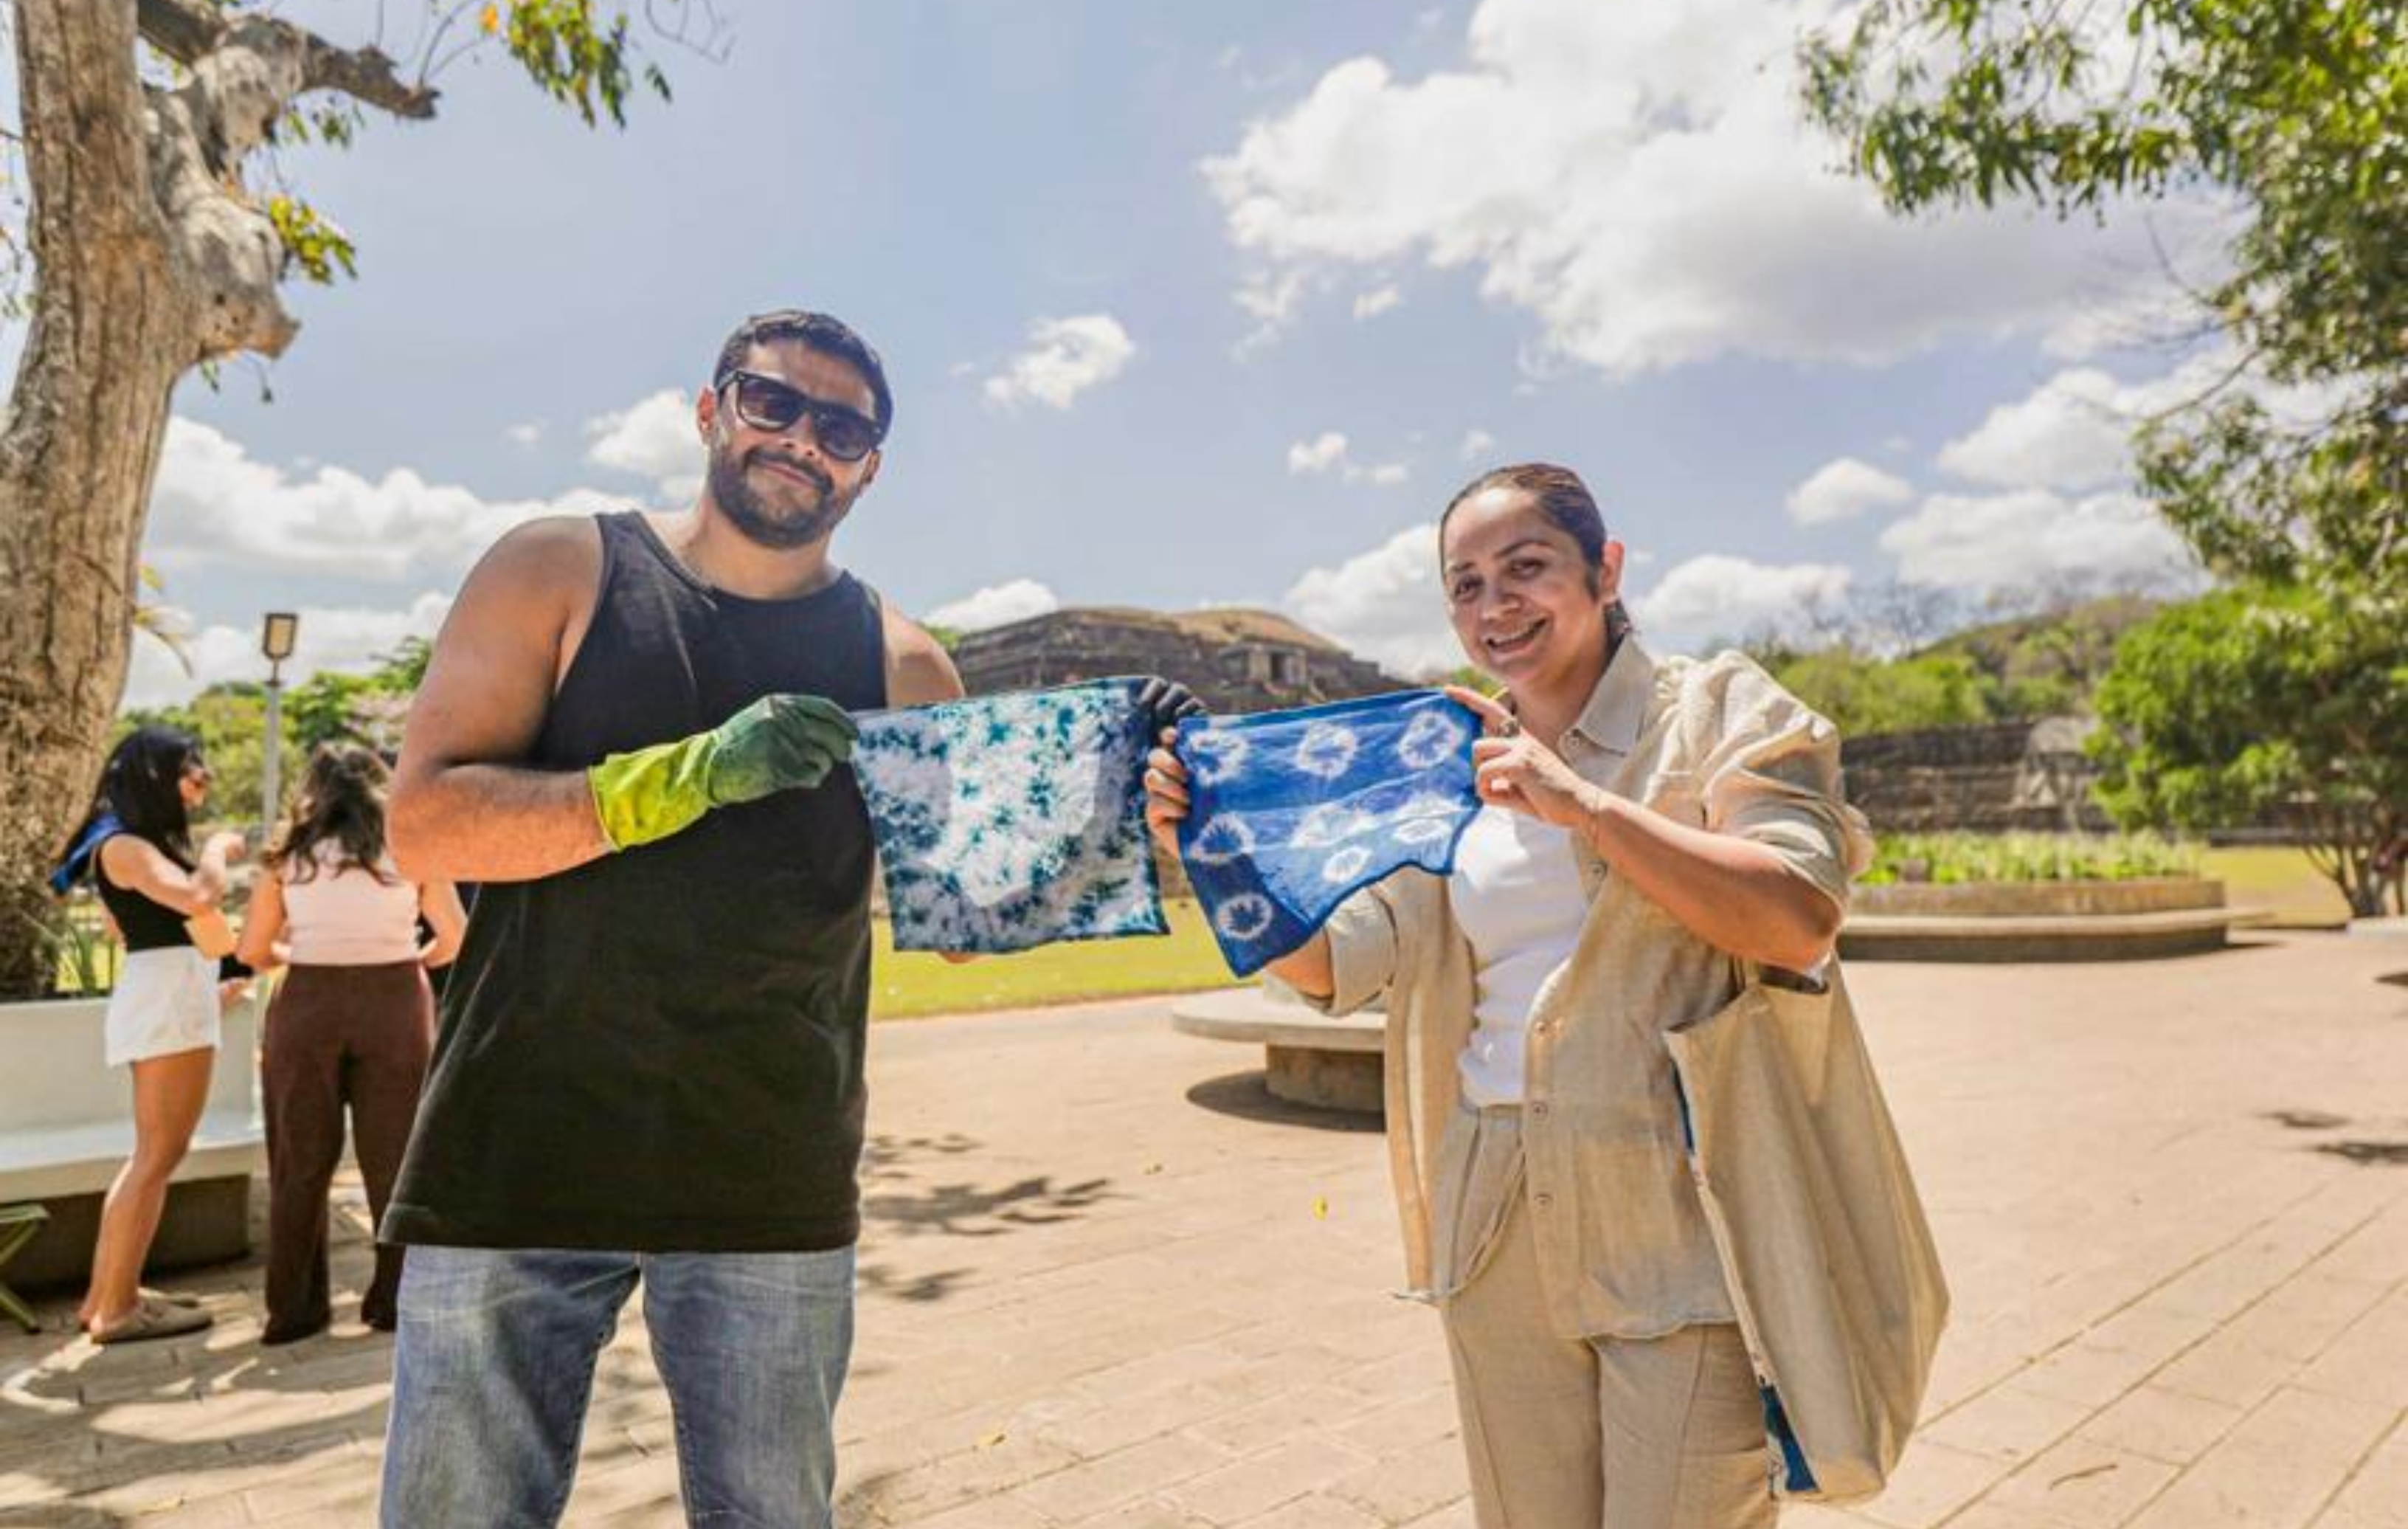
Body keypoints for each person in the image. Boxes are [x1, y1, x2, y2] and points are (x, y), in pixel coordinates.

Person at [377, 308, 1197, 1528]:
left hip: (767, 1169)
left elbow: (965, 914)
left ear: (869, 468)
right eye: (772, 403)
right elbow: (429, 824)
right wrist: (680, 776)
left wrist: (1118, 808)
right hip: (517, 1148)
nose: (802, 438)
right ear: (711, 410)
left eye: (842, 427)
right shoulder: (558, 568)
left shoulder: (903, 662)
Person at [1145, 463, 1874, 1529]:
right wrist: (1212, 856)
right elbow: (1342, 966)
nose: (1496, 607)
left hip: (1677, 1197)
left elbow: (1800, 910)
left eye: (1526, 568)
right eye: (1467, 584)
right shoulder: (1448, 764)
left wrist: (1585, 806)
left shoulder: (1716, 711)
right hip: (1494, 1197)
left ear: (1604, 568)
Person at [234, 744, 467, 1344]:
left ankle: (294, 1310)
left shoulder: (285, 856)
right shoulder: (411, 848)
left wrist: (300, 952)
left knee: (300, 1163)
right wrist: (407, 957)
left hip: (306, 1005)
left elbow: (253, 952)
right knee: (395, 1161)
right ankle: (394, 1301)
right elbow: (454, 938)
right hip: (394, 1004)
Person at [56, 727, 246, 1344]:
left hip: (169, 994)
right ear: (160, 775)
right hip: (166, 1001)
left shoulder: (128, 844)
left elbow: (140, 927)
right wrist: (218, 849)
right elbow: (196, 898)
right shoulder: (124, 846)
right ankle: (117, 1309)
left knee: (154, 1157)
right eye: (195, 773)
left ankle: (108, 1296)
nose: (202, 786)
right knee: (155, 1159)